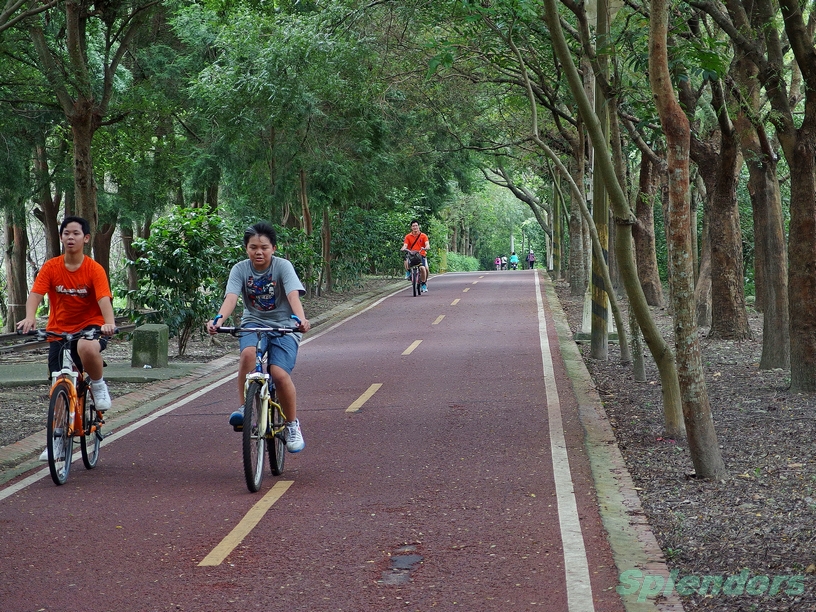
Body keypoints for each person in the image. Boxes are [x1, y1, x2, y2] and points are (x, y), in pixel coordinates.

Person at [16, 216, 116, 461]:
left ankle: (100, 386)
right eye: (66, 233)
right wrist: (30, 317)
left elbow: (104, 299)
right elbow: (36, 294)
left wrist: (108, 323)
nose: (71, 237)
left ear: (86, 238)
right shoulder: (51, 267)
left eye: (76, 233)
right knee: (58, 385)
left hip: (89, 327)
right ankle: (57, 443)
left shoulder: (94, 268)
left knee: (87, 348)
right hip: (59, 331)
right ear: (61, 237)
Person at [207, 222, 310, 453]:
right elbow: (231, 298)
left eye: (264, 247)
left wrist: (301, 320)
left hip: (285, 326)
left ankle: (292, 424)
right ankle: (245, 409)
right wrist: (218, 321)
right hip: (253, 324)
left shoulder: (283, 267)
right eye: (253, 247)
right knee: (247, 354)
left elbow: (294, 296)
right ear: (246, 249)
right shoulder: (240, 269)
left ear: (273, 248)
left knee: (279, 374)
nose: (259, 252)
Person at [401, 220, 429, 292]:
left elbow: (427, 244)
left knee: (423, 268)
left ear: (418, 226)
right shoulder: (408, 236)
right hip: (411, 255)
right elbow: (405, 245)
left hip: (421, 255)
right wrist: (404, 248)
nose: (415, 227)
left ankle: (423, 284)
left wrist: (426, 247)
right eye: (413, 226)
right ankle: (408, 271)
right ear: (411, 227)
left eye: (416, 225)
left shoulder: (423, 236)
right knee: (405, 259)